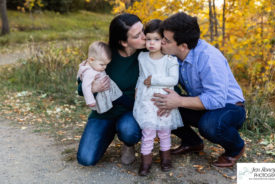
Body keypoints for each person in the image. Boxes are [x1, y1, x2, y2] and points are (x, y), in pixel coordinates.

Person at [152, 12, 246, 168]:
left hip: (230, 107)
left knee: (209, 126)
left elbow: (216, 100)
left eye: (166, 40)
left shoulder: (209, 58)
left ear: (183, 46)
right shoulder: (174, 54)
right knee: (161, 104)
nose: (162, 42)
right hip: (202, 103)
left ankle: (235, 148)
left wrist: (179, 101)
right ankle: (192, 142)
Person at [77, 13, 146, 166]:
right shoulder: (105, 54)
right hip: (104, 112)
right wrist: (93, 88)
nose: (144, 36)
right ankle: (108, 131)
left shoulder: (148, 54)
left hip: (131, 111)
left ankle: (128, 144)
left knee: (128, 130)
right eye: (137, 35)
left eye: (143, 30)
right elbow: (81, 87)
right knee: (86, 159)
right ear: (123, 42)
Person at [133, 19, 183, 176]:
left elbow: (173, 80)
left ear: (163, 40)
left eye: (156, 39)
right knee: (148, 132)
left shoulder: (170, 60)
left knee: (164, 132)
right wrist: (137, 91)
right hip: (146, 101)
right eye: (148, 39)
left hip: (163, 101)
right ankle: (146, 162)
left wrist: (153, 80)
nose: (151, 43)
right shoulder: (142, 57)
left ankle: (165, 159)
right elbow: (141, 77)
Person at [77, 41, 122, 114]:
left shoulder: (95, 65)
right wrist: (90, 101)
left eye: (106, 64)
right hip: (102, 94)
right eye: (102, 65)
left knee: (120, 99)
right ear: (91, 60)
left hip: (110, 90)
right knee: (113, 104)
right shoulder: (89, 73)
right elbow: (85, 86)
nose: (105, 67)